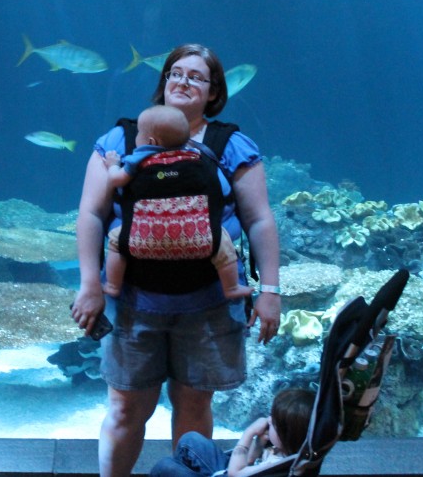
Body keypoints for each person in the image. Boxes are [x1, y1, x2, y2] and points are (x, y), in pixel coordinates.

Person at [70, 43, 283, 477]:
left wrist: (271, 291)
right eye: (175, 73)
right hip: (132, 303)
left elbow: (259, 220)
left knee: (193, 403)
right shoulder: (121, 139)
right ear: (163, 82)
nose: (184, 81)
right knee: (126, 407)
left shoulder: (231, 144)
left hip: (208, 304)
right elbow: (91, 214)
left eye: (197, 77)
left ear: (213, 92)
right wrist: (90, 285)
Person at [102, 104, 245, 301]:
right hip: (198, 237)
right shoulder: (199, 158)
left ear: (151, 140)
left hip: (145, 237)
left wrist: (113, 165)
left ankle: (112, 285)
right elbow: (221, 191)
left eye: (139, 134)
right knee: (224, 242)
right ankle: (231, 287)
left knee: (116, 241)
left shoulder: (138, 159)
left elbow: (117, 180)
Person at [149, 387, 315, 477]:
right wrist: (259, 443)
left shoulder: (277, 466)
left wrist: (248, 433)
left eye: (275, 423)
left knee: (166, 467)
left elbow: (236, 473)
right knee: (190, 440)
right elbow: (249, 461)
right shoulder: (281, 450)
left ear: (287, 435)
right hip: (234, 470)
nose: (269, 420)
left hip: (233, 473)